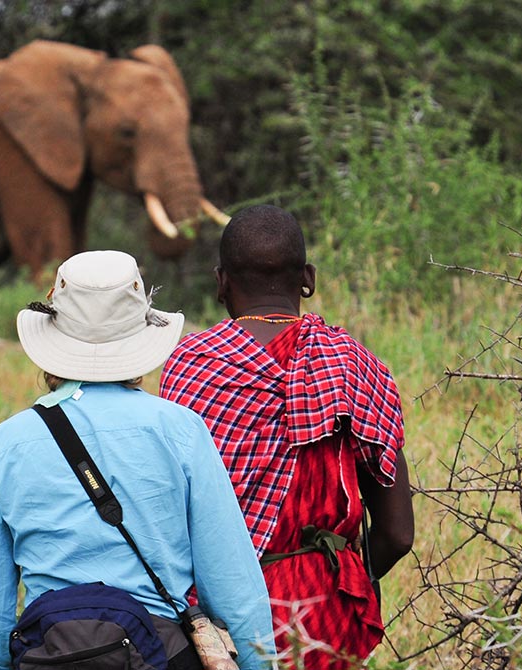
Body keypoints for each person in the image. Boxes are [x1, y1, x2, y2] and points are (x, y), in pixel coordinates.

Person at [0, 250, 274, 670]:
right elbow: (233, 589)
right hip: (159, 656)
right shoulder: (181, 431)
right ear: (140, 340)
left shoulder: (6, 443)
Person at [160, 206, 414, 670]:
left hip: (217, 624)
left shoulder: (190, 364)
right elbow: (397, 535)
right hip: (326, 616)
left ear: (221, 282)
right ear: (309, 278)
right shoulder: (353, 365)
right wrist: (350, 575)